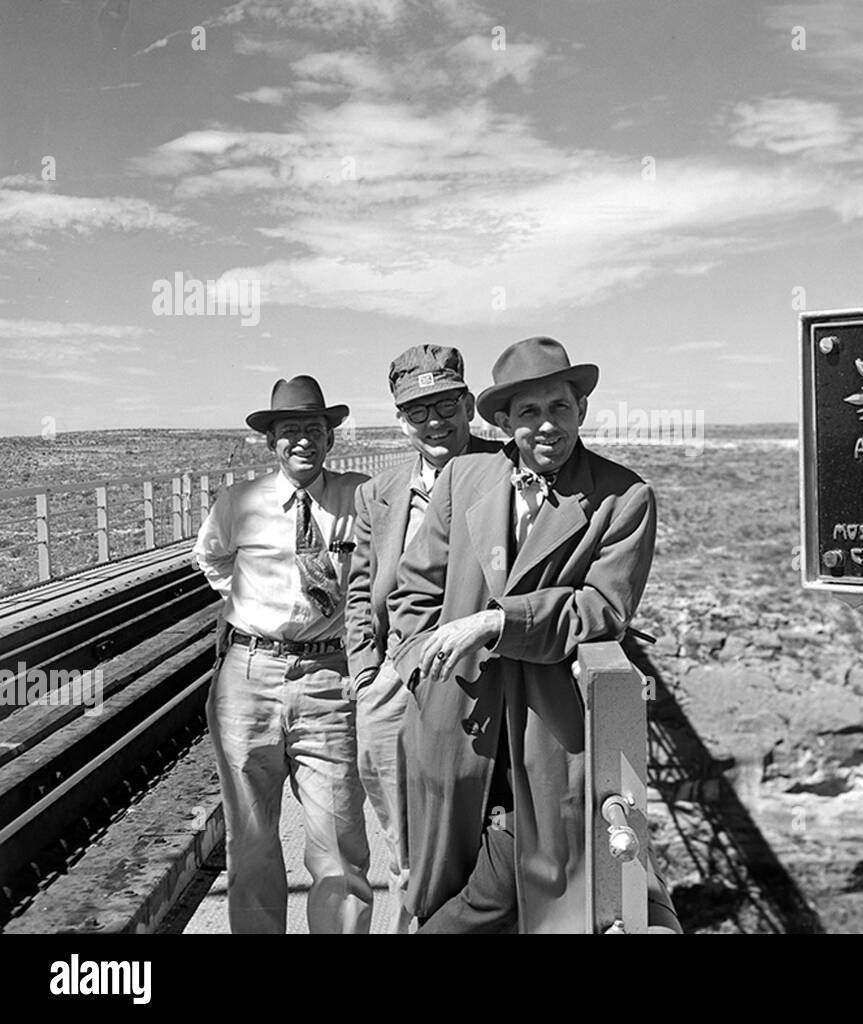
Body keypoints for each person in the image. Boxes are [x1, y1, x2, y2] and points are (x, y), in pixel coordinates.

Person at [387, 336, 680, 933]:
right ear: (503, 420)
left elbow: (603, 609)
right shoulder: (464, 478)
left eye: (560, 409)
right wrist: (418, 669)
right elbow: (412, 593)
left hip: (545, 732)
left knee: (505, 889)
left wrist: (499, 622)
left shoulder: (622, 498)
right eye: (529, 412)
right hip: (457, 722)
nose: (547, 426)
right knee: (442, 875)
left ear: (582, 411)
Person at [194, 375, 372, 934]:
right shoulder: (238, 502)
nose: (302, 441)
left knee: (339, 844)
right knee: (250, 843)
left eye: (313, 429)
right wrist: (254, 605)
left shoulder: (359, 497)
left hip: (329, 678)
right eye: (289, 430)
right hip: (249, 678)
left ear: (331, 438)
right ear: (272, 441)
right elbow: (213, 558)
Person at [345, 344, 501, 934]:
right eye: (418, 412)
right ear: (400, 420)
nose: (435, 422)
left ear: (468, 405)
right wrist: (365, 675)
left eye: (445, 405)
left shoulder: (505, 469)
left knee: (469, 823)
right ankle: (415, 919)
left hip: (476, 678)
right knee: (401, 833)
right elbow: (360, 591)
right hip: (392, 679)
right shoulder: (378, 493)